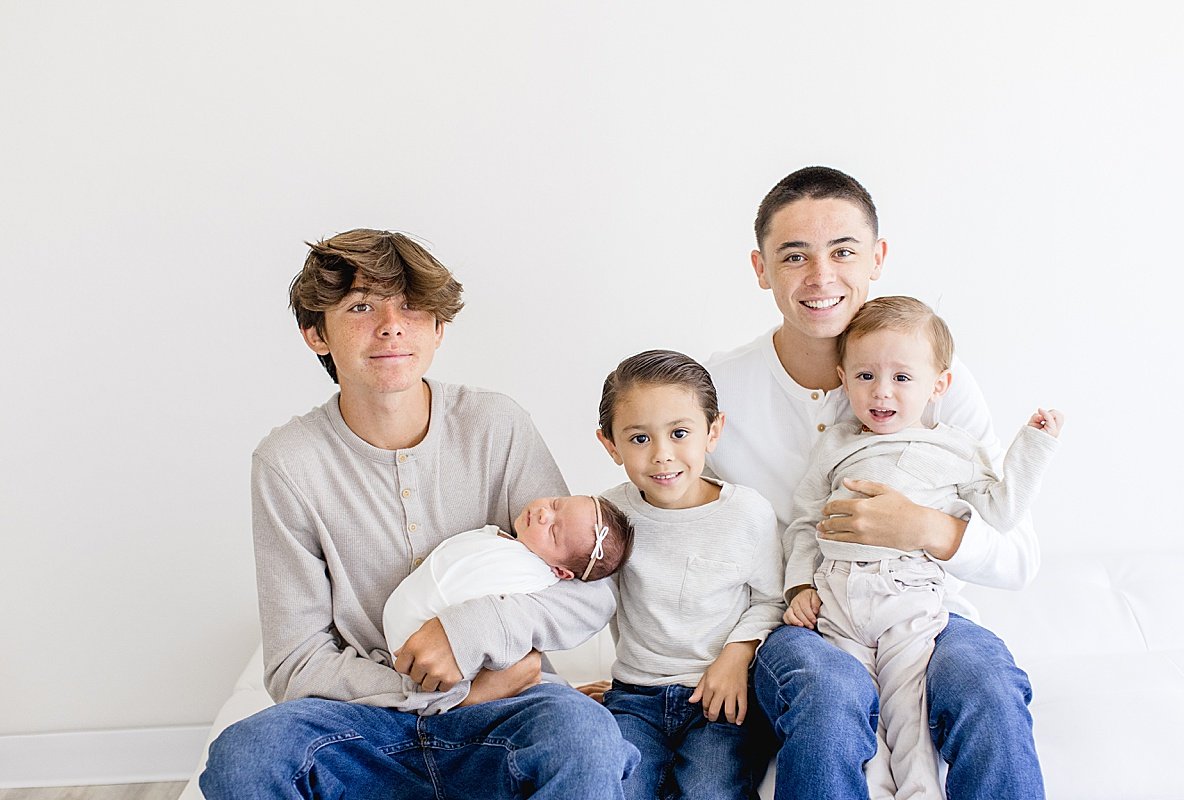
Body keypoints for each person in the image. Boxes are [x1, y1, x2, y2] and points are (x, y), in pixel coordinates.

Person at [200, 229, 638, 799]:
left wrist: (471, 634)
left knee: (587, 740)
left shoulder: (496, 425)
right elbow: (295, 663)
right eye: (360, 307)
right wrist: (439, 692)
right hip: (365, 726)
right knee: (243, 757)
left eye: (411, 306)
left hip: (507, 707)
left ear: (438, 328)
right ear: (316, 334)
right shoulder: (287, 463)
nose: (391, 326)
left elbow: (588, 590)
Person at [705, 167, 1047, 800]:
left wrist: (925, 529)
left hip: (930, 613)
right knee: (832, 694)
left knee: (987, 687)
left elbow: (1018, 555)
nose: (820, 276)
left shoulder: (933, 373)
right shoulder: (719, 391)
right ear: (761, 268)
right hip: (806, 625)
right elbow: (683, 531)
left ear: (878, 258)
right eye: (793, 255)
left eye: (843, 252)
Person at [783, 296, 1063, 799]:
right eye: (865, 376)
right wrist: (800, 584)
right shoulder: (837, 443)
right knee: (854, 710)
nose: (882, 391)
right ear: (843, 378)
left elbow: (1002, 511)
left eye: (902, 378)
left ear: (939, 385)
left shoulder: (956, 450)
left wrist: (1032, 448)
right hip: (837, 598)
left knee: (908, 709)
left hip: (908, 597)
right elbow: (806, 521)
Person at [593, 349, 785, 800]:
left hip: (720, 698)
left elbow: (771, 599)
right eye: (639, 438)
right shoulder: (609, 515)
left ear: (713, 431)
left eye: (680, 433)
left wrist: (736, 657)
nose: (662, 455)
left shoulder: (746, 513)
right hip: (634, 696)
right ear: (610, 445)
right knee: (617, 788)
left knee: (710, 791)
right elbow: (582, 596)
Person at [382, 494, 634, 715]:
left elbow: (595, 599)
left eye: (554, 532)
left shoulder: (534, 575)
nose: (544, 513)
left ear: (561, 572)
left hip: (418, 653)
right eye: (556, 503)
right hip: (414, 647)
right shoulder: (502, 541)